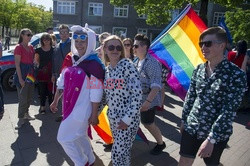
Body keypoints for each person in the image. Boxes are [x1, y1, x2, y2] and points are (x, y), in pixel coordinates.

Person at [178, 27, 247, 166]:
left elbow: (228, 111)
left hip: (216, 133)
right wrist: (184, 120)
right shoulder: (198, 69)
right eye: (201, 44)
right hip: (192, 127)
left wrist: (211, 139)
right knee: (184, 162)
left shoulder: (236, 75)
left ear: (222, 45)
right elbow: (191, 98)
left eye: (208, 43)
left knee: (212, 164)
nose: (203, 47)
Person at [50, 24, 104, 166]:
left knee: (63, 138)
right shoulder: (71, 58)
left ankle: (81, 162)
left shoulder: (94, 64)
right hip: (68, 107)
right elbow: (62, 81)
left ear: (90, 42)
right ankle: (91, 160)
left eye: (83, 41)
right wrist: (55, 100)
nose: (79, 45)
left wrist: (94, 114)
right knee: (80, 135)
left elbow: (96, 92)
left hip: (82, 109)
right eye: (77, 41)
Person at [102, 35, 142, 165]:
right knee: (123, 153)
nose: (115, 50)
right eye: (111, 47)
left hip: (126, 120)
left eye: (118, 47)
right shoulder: (107, 70)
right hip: (113, 119)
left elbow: (137, 95)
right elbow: (106, 96)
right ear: (105, 49)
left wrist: (127, 119)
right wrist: (94, 114)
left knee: (117, 154)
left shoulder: (127, 66)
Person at [133, 34, 166, 155]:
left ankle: (161, 143)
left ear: (145, 47)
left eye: (136, 45)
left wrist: (147, 102)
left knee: (148, 123)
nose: (133, 48)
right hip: (138, 98)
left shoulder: (152, 63)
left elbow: (156, 85)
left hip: (148, 99)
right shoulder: (137, 60)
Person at [14, 28, 36, 129]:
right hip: (22, 74)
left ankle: (26, 114)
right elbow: (17, 65)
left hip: (30, 75)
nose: (30, 37)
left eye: (31, 35)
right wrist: (20, 79)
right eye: (28, 35)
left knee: (29, 97)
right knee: (22, 98)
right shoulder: (19, 47)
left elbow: (32, 61)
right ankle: (20, 119)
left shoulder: (31, 47)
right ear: (22, 35)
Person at [52, 24, 71, 122]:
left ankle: (68, 115)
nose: (63, 34)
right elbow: (54, 60)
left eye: (65, 32)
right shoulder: (57, 45)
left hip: (70, 74)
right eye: (61, 32)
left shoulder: (73, 44)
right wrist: (54, 73)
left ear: (68, 33)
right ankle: (64, 114)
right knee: (62, 94)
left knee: (69, 95)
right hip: (60, 74)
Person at [34, 33, 54, 114]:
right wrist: (41, 69)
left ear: (50, 40)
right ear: (42, 41)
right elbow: (36, 62)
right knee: (42, 91)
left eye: (48, 39)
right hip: (42, 73)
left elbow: (55, 62)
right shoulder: (38, 50)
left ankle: (51, 106)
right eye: (44, 39)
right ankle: (42, 107)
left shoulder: (54, 49)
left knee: (50, 92)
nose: (46, 41)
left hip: (51, 73)